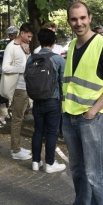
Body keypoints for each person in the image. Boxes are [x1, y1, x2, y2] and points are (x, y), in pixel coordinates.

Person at [58, 1, 103, 205]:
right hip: (71, 114)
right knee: (77, 167)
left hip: (90, 117)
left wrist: (93, 111)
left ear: (90, 18)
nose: (78, 23)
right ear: (69, 21)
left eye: (82, 18)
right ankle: (81, 204)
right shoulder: (72, 44)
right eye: (74, 19)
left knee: (95, 170)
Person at [27, 28, 66, 173]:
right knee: (51, 132)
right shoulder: (58, 59)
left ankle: (35, 162)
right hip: (53, 100)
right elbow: (64, 82)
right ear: (54, 42)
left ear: (40, 41)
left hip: (36, 100)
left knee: (37, 131)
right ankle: (50, 163)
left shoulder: (31, 58)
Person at [0, 23, 34, 160]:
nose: (30, 39)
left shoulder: (23, 46)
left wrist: (28, 53)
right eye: (29, 36)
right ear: (22, 33)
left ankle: (17, 147)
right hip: (18, 88)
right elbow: (5, 68)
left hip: (26, 87)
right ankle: (15, 150)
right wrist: (22, 68)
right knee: (17, 119)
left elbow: (28, 64)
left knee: (19, 118)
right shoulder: (11, 47)